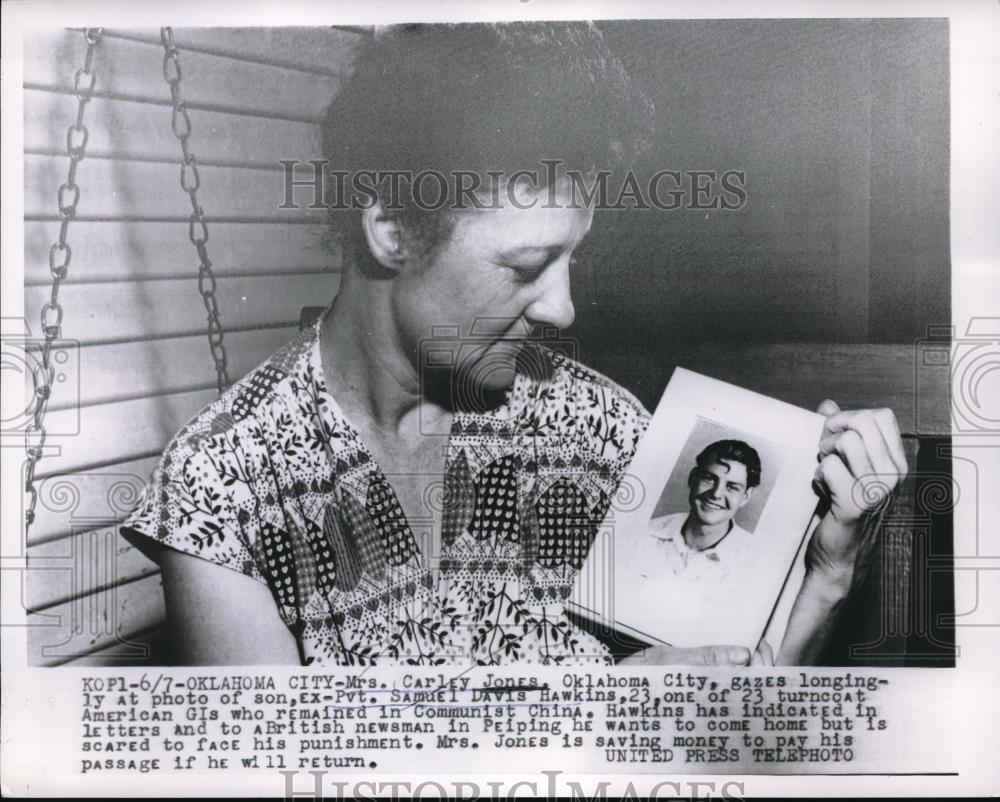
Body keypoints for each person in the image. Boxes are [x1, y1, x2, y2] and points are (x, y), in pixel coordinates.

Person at [120, 22, 908, 667]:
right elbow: (278, 772)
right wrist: (595, 723)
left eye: (573, 258)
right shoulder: (226, 485)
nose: (563, 309)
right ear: (393, 228)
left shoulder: (596, 428)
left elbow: (736, 719)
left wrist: (829, 578)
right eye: (526, 266)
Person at [644, 440, 762, 583]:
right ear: (693, 478)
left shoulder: (755, 562)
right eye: (709, 479)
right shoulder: (644, 533)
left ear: (745, 497)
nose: (716, 494)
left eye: (732, 487)